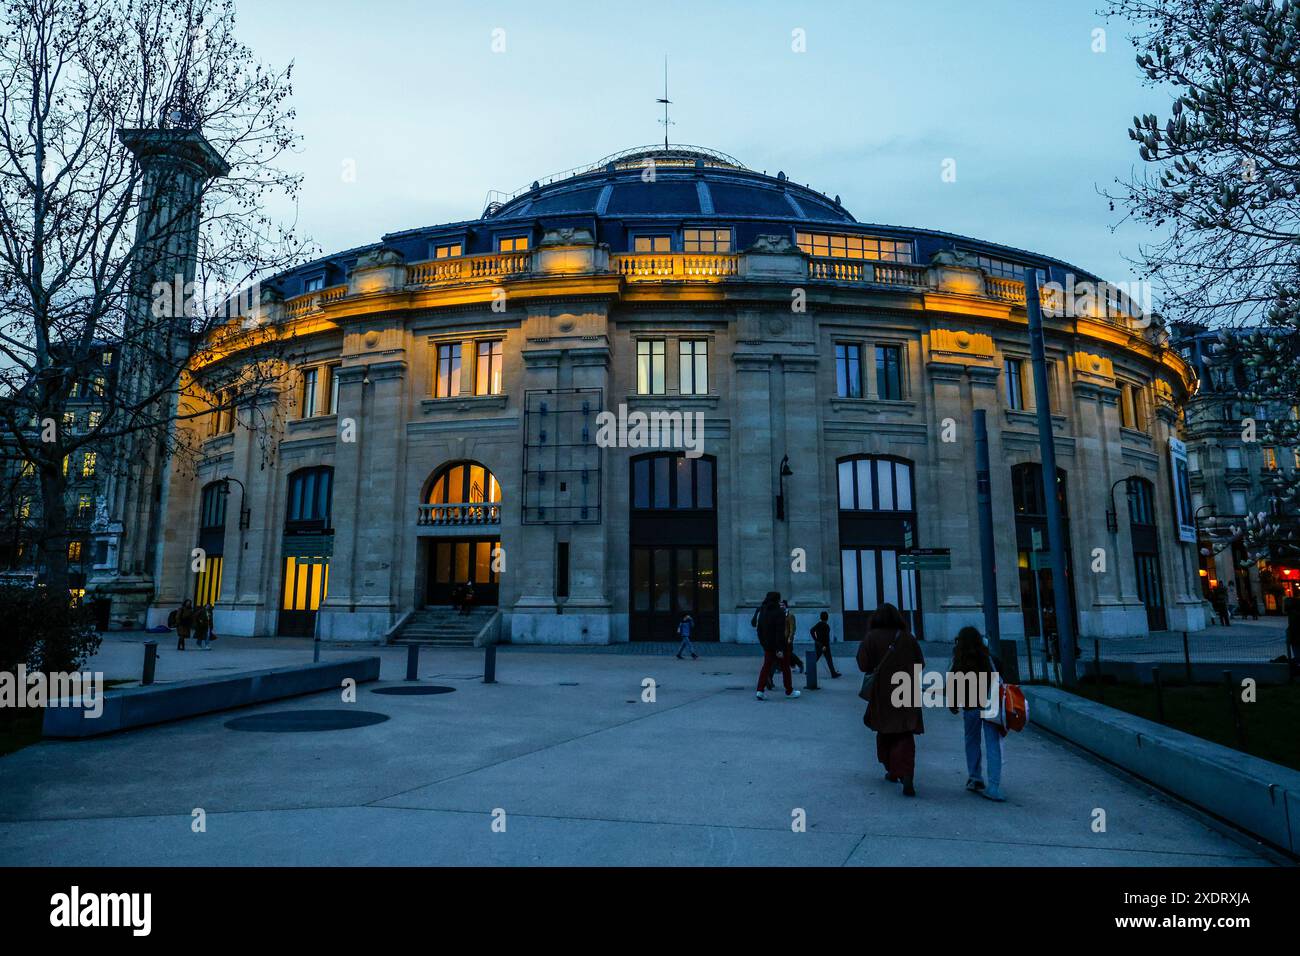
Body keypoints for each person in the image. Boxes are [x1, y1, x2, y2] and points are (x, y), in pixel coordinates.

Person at [856, 603, 924, 796]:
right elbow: (921, 663)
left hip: (882, 692)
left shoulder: (871, 637)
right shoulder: (907, 637)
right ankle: (907, 773)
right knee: (905, 733)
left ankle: (892, 769)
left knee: (885, 731)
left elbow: (863, 664)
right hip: (906, 689)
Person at [947, 626, 1005, 802]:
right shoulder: (989, 658)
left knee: (972, 740)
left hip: (971, 706)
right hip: (991, 707)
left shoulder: (959, 660)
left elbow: (953, 684)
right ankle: (994, 786)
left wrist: (953, 703)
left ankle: (975, 777)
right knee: (993, 744)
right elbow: (1002, 678)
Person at [754, 591, 799, 701]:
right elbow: (779, 632)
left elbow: (759, 630)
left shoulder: (763, 610)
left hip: (767, 645)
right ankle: (789, 690)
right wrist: (779, 649)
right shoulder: (779, 612)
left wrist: (764, 644)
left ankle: (760, 690)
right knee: (785, 667)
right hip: (779, 646)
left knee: (766, 667)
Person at [809, 611, 841, 678]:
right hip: (824, 645)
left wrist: (816, 640)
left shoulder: (818, 624)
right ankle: (833, 673)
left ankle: (808, 671)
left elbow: (811, 630)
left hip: (818, 644)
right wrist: (824, 646)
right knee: (829, 659)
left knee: (816, 658)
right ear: (827, 618)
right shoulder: (826, 626)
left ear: (820, 617)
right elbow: (826, 637)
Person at [781, 600, 804, 674]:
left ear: (786, 606)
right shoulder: (780, 615)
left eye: (782, 605)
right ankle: (792, 665)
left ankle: (799, 663)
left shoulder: (790, 616)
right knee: (785, 653)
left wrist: (790, 638)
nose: (781, 606)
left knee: (788, 653)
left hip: (787, 638)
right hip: (781, 638)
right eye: (780, 605)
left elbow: (792, 628)